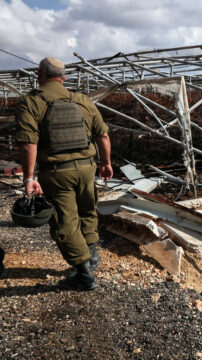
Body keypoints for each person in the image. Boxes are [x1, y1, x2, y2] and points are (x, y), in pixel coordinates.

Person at [15, 57, 113, 290]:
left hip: (58, 173)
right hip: (87, 168)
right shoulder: (82, 100)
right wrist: (106, 163)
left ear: (39, 74)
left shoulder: (32, 102)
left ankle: (84, 273)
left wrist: (29, 178)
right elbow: (103, 136)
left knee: (64, 222)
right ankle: (91, 255)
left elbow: (29, 143)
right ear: (64, 77)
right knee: (87, 210)